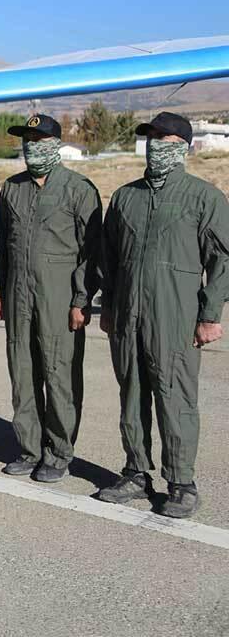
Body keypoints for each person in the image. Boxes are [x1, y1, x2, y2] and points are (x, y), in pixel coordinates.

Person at [97, 112, 229, 518]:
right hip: (127, 315)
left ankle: (181, 482)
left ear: (183, 147)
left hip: (175, 316)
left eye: (164, 138)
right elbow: (109, 258)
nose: (155, 145)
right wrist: (109, 305)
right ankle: (136, 472)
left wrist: (210, 315)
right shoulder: (126, 197)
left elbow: (222, 261)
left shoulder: (204, 197)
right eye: (151, 137)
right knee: (131, 395)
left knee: (176, 398)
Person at [0, 114, 102, 482]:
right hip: (18, 293)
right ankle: (29, 448)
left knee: (59, 375)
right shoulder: (12, 187)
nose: (31, 146)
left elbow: (92, 252)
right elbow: (2, 245)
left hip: (59, 295)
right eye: (27, 140)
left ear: (55, 144)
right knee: (23, 373)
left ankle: (58, 453)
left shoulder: (79, 189)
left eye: (38, 140)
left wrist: (81, 299)